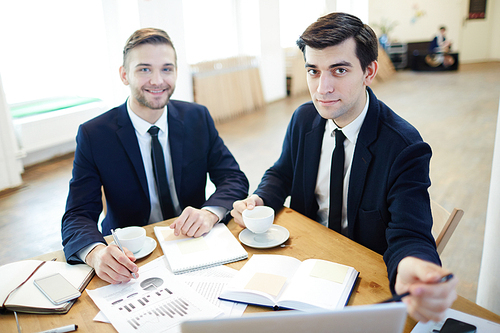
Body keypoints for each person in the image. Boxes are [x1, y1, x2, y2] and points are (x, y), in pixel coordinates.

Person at [231, 13, 457, 322]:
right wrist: (258, 200)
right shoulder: (304, 119)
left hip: (362, 277)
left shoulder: (405, 147)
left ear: (369, 71)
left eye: (339, 70)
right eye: (314, 71)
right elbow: (282, 173)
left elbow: (410, 234)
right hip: (304, 258)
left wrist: (411, 265)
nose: (322, 88)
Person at [62, 28, 249, 284]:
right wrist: (95, 254)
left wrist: (209, 213)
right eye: (145, 69)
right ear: (124, 75)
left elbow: (232, 178)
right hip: (130, 255)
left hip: (192, 242)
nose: (158, 80)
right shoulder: (94, 134)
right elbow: (77, 213)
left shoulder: (197, 117)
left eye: (167, 69)